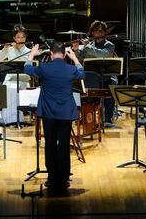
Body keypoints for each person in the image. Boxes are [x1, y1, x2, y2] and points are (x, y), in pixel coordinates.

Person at [24, 42, 85, 197]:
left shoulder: (44, 68)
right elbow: (82, 74)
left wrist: (32, 55)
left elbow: (27, 69)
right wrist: (75, 59)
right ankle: (63, 179)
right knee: (64, 145)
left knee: (50, 144)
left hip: (48, 112)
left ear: (51, 54)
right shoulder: (71, 68)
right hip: (65, 113)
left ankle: (52, 178)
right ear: (64, 55)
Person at [73, 20, 117, 125]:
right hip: (91, 77)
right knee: (80, 87)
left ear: (105, 32)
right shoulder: (89, 45)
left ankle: (108, 118)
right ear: (92, 32)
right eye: (96, 31)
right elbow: (80, 58)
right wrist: (76, 50)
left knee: (110, 88)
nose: (98, 33)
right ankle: (86, 116)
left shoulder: (109, 45)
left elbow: (103, 54)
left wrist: (87, 46)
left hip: (106, 77)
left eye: (101, 31)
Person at [0, 24, 32, 125]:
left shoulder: (29, 51)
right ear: (14, 38)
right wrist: (5, 49)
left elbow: (26, 63)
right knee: (7, 87)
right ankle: (7, 119)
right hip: (10, 78)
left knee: (12, 87)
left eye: (23, 37)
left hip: (23, 79)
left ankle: (16, 119)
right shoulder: (10, 49)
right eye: (18, 37)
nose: (21, 39)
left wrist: (17, 50)